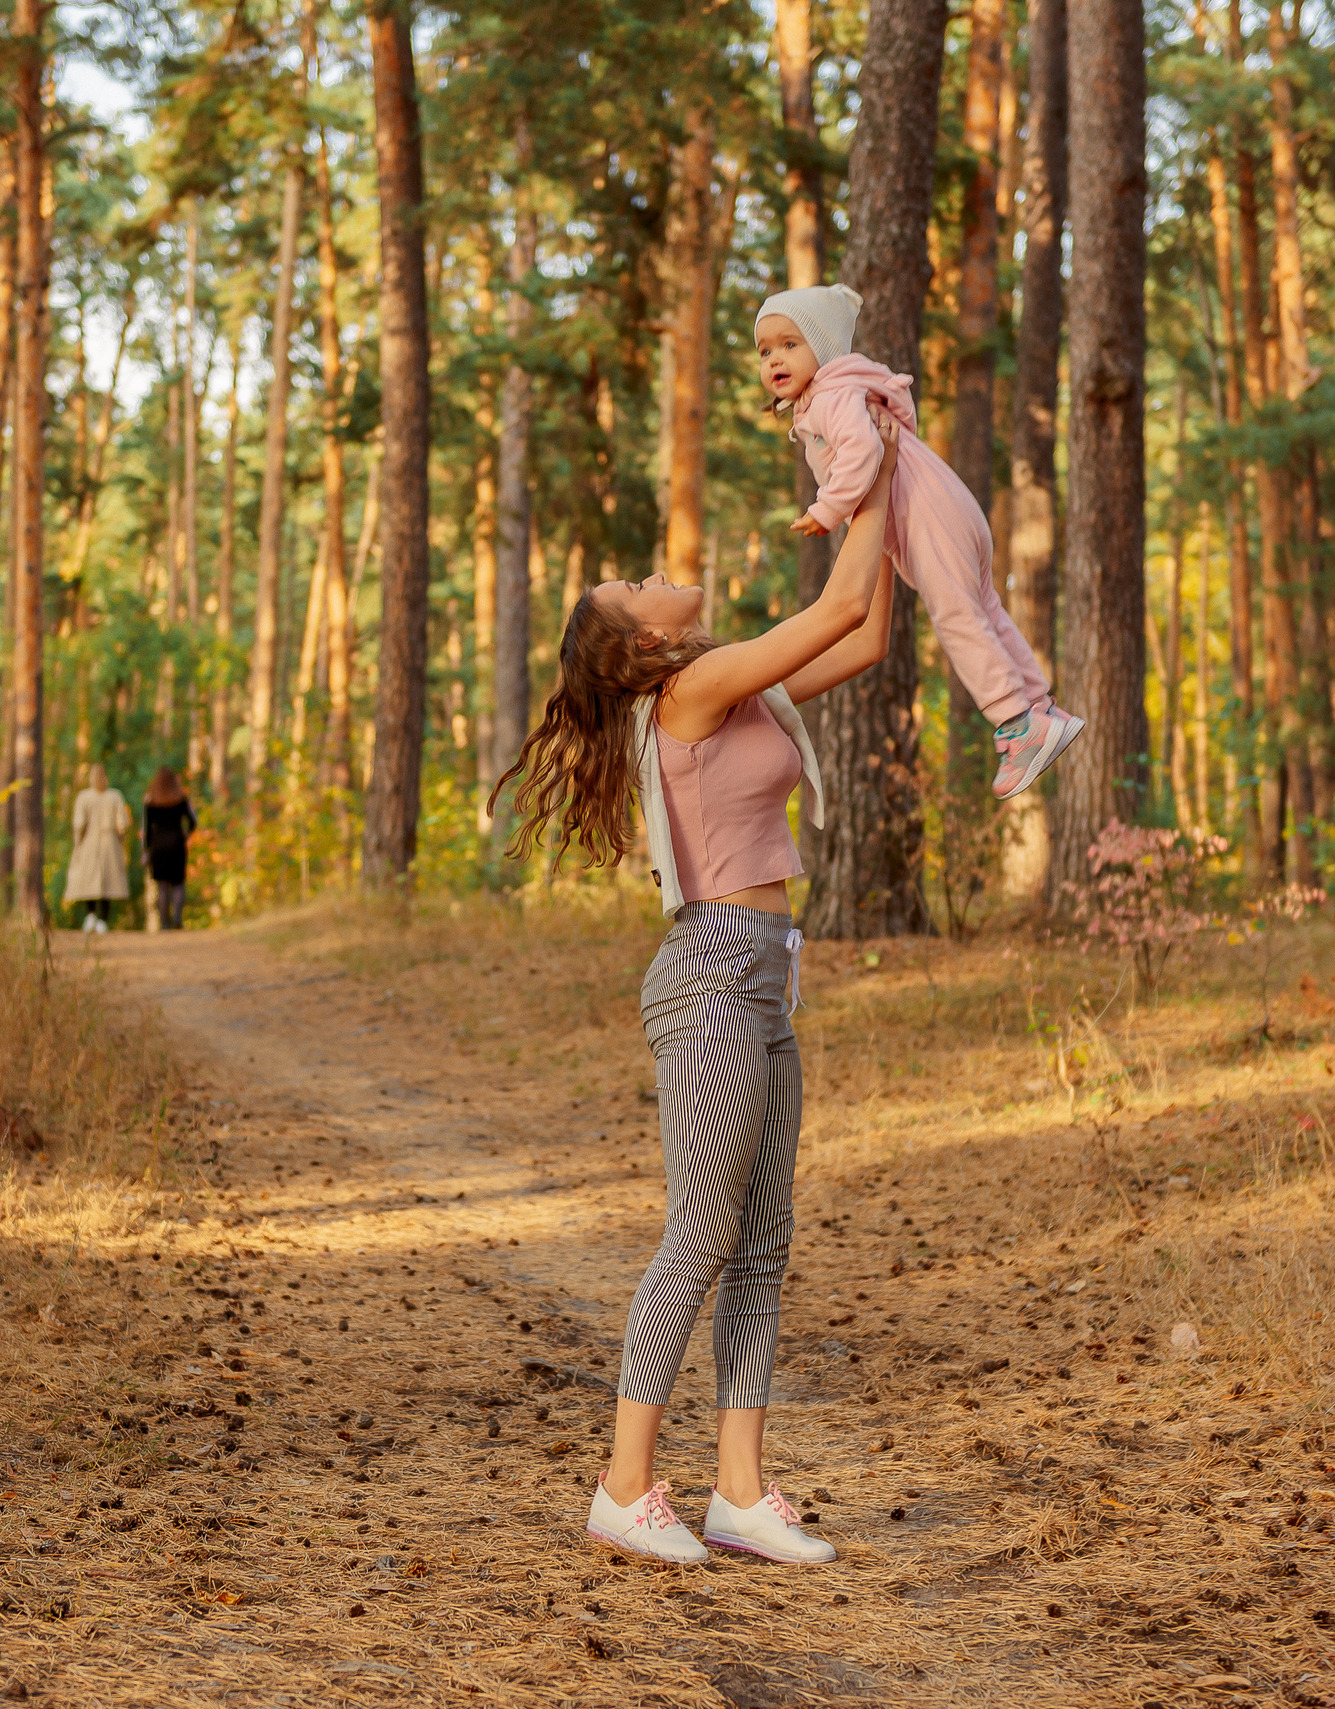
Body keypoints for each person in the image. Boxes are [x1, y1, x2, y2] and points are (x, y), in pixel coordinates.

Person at [495, 413, 905, 1569]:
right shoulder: (687, 693)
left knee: (764, 1239)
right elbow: (830, 607)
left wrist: (887, 480)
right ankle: (624, 1484)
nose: (656, 570)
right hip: (711, 973)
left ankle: (739, 1491)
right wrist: (861, 472)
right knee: (703, 1230)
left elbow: (863, 635)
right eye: (637, 581)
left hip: (766, 973)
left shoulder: (737, 689)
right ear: (640, 642)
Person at [756, 281, 1085, 801]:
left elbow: (864, 452)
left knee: (957, 616)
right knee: (986, 610)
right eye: (765, 350)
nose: (775, 357)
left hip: (928, 516)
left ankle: (1017, 725)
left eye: (790, 344)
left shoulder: (830, 397)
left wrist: (828, 508)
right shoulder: (835, 395)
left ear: (822, 348)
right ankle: (1040, 706)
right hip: (953, 508)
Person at [63, 763, 132, 932]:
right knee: (106, 880)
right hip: (109, 841)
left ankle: (91, 915)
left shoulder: (84, 797)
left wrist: (78, 842)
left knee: (91, 879)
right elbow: (121, 823)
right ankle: (101, 919)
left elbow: (79, 823)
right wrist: (121, 839)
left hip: (90, 841)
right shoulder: (115, 796)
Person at [141, 766, 196, 932]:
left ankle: (165, 924)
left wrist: (146, 851)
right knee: (178, 883)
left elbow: (147, 830)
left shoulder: (150, 802)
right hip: (177, 844)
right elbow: (193, 821)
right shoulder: (181, 799)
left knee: (162, 886)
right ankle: (177, 918)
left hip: (158, 846)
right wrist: (185, 834)